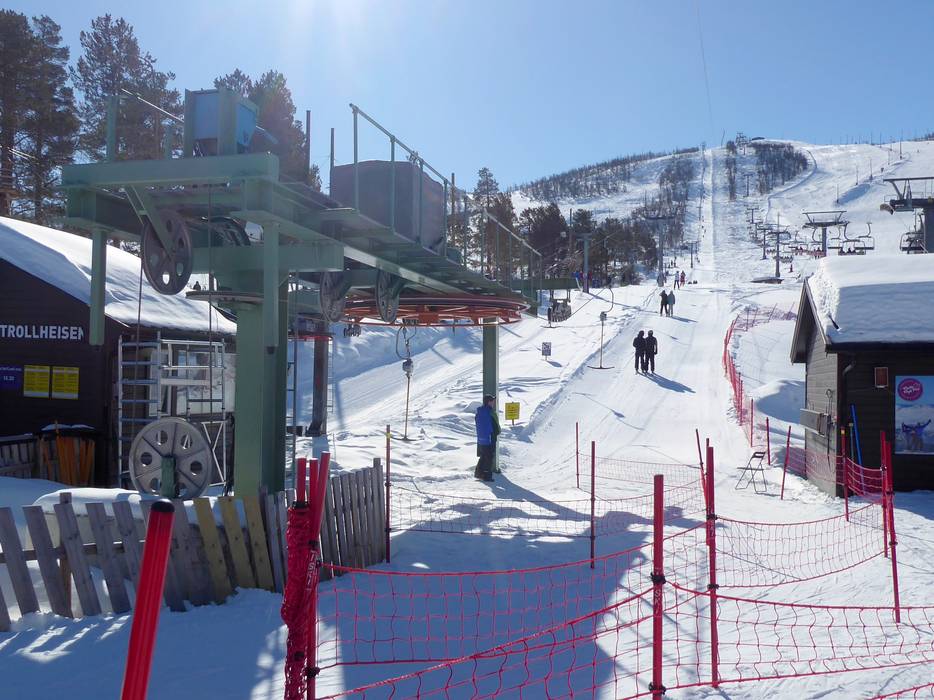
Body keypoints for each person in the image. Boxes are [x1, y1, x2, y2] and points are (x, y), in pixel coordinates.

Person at [474, 394, 500, 481]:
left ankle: (478, 473)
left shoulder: (479, 412)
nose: (493, 403)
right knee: (489, 457)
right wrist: (497, 433)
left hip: (481, 439)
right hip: (490, 438)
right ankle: (487, 476)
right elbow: (496, 427)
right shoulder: (491, 413)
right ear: (488, 402)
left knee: (483, 456)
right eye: (492, 401)